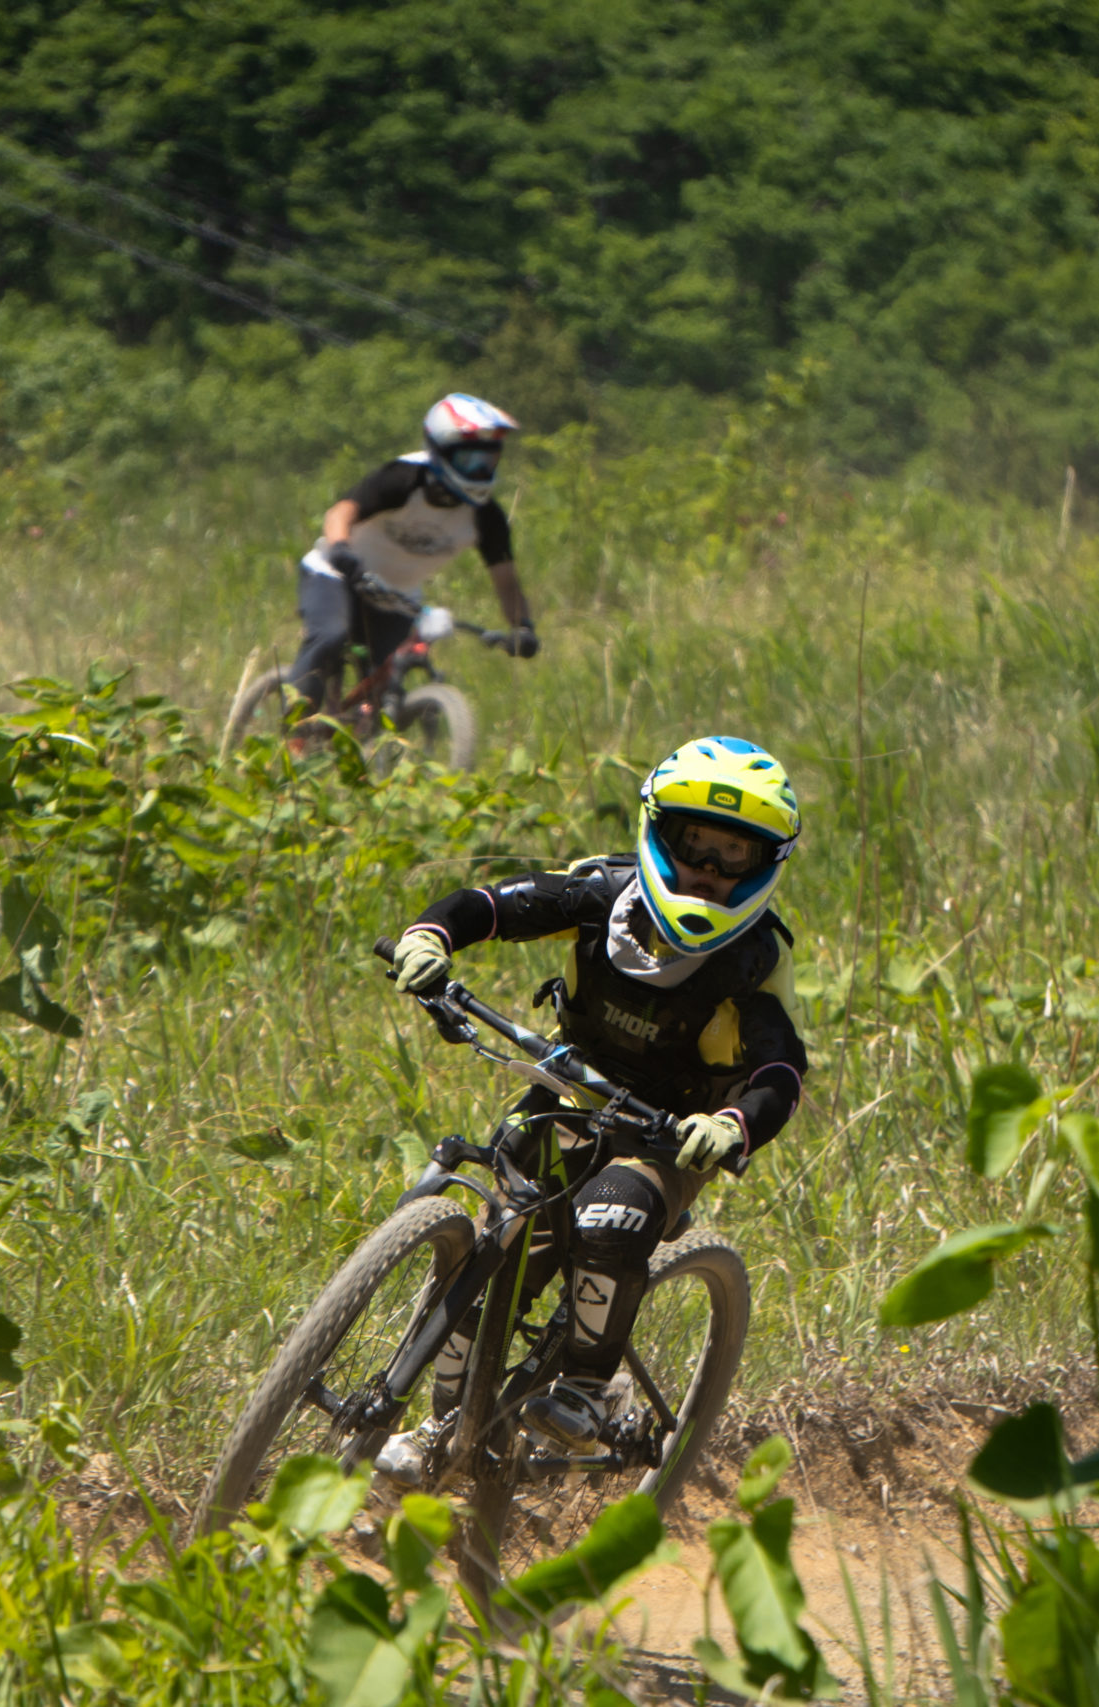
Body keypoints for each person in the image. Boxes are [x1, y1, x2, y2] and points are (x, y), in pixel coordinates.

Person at [372, 736, 807, 1478]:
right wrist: (431, 934)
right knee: (493, 1247)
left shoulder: (754, 959)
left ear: (763, 865)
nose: (707, 869)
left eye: (733, 855)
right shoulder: (602, 893)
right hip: (566, 1098)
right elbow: (494, 905)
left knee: (614, 1211)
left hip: (669, 1134)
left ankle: (585, 1390)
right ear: (658, 832)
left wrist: (731, 1123)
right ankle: (445, 1425)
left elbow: (780, 1068)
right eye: (695, 842)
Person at [293, 393, 541, 715]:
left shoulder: (486, 517)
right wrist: (341, 550)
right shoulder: (404, 479)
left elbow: (506, 582)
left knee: (382, 686)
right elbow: (340, 513)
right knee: (330, 636)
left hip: (394, 598)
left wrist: (523, 627)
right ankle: (293, 736)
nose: (481, 471)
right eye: (471, 461)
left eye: (488, 461)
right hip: (336, 575)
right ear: (441, 453)